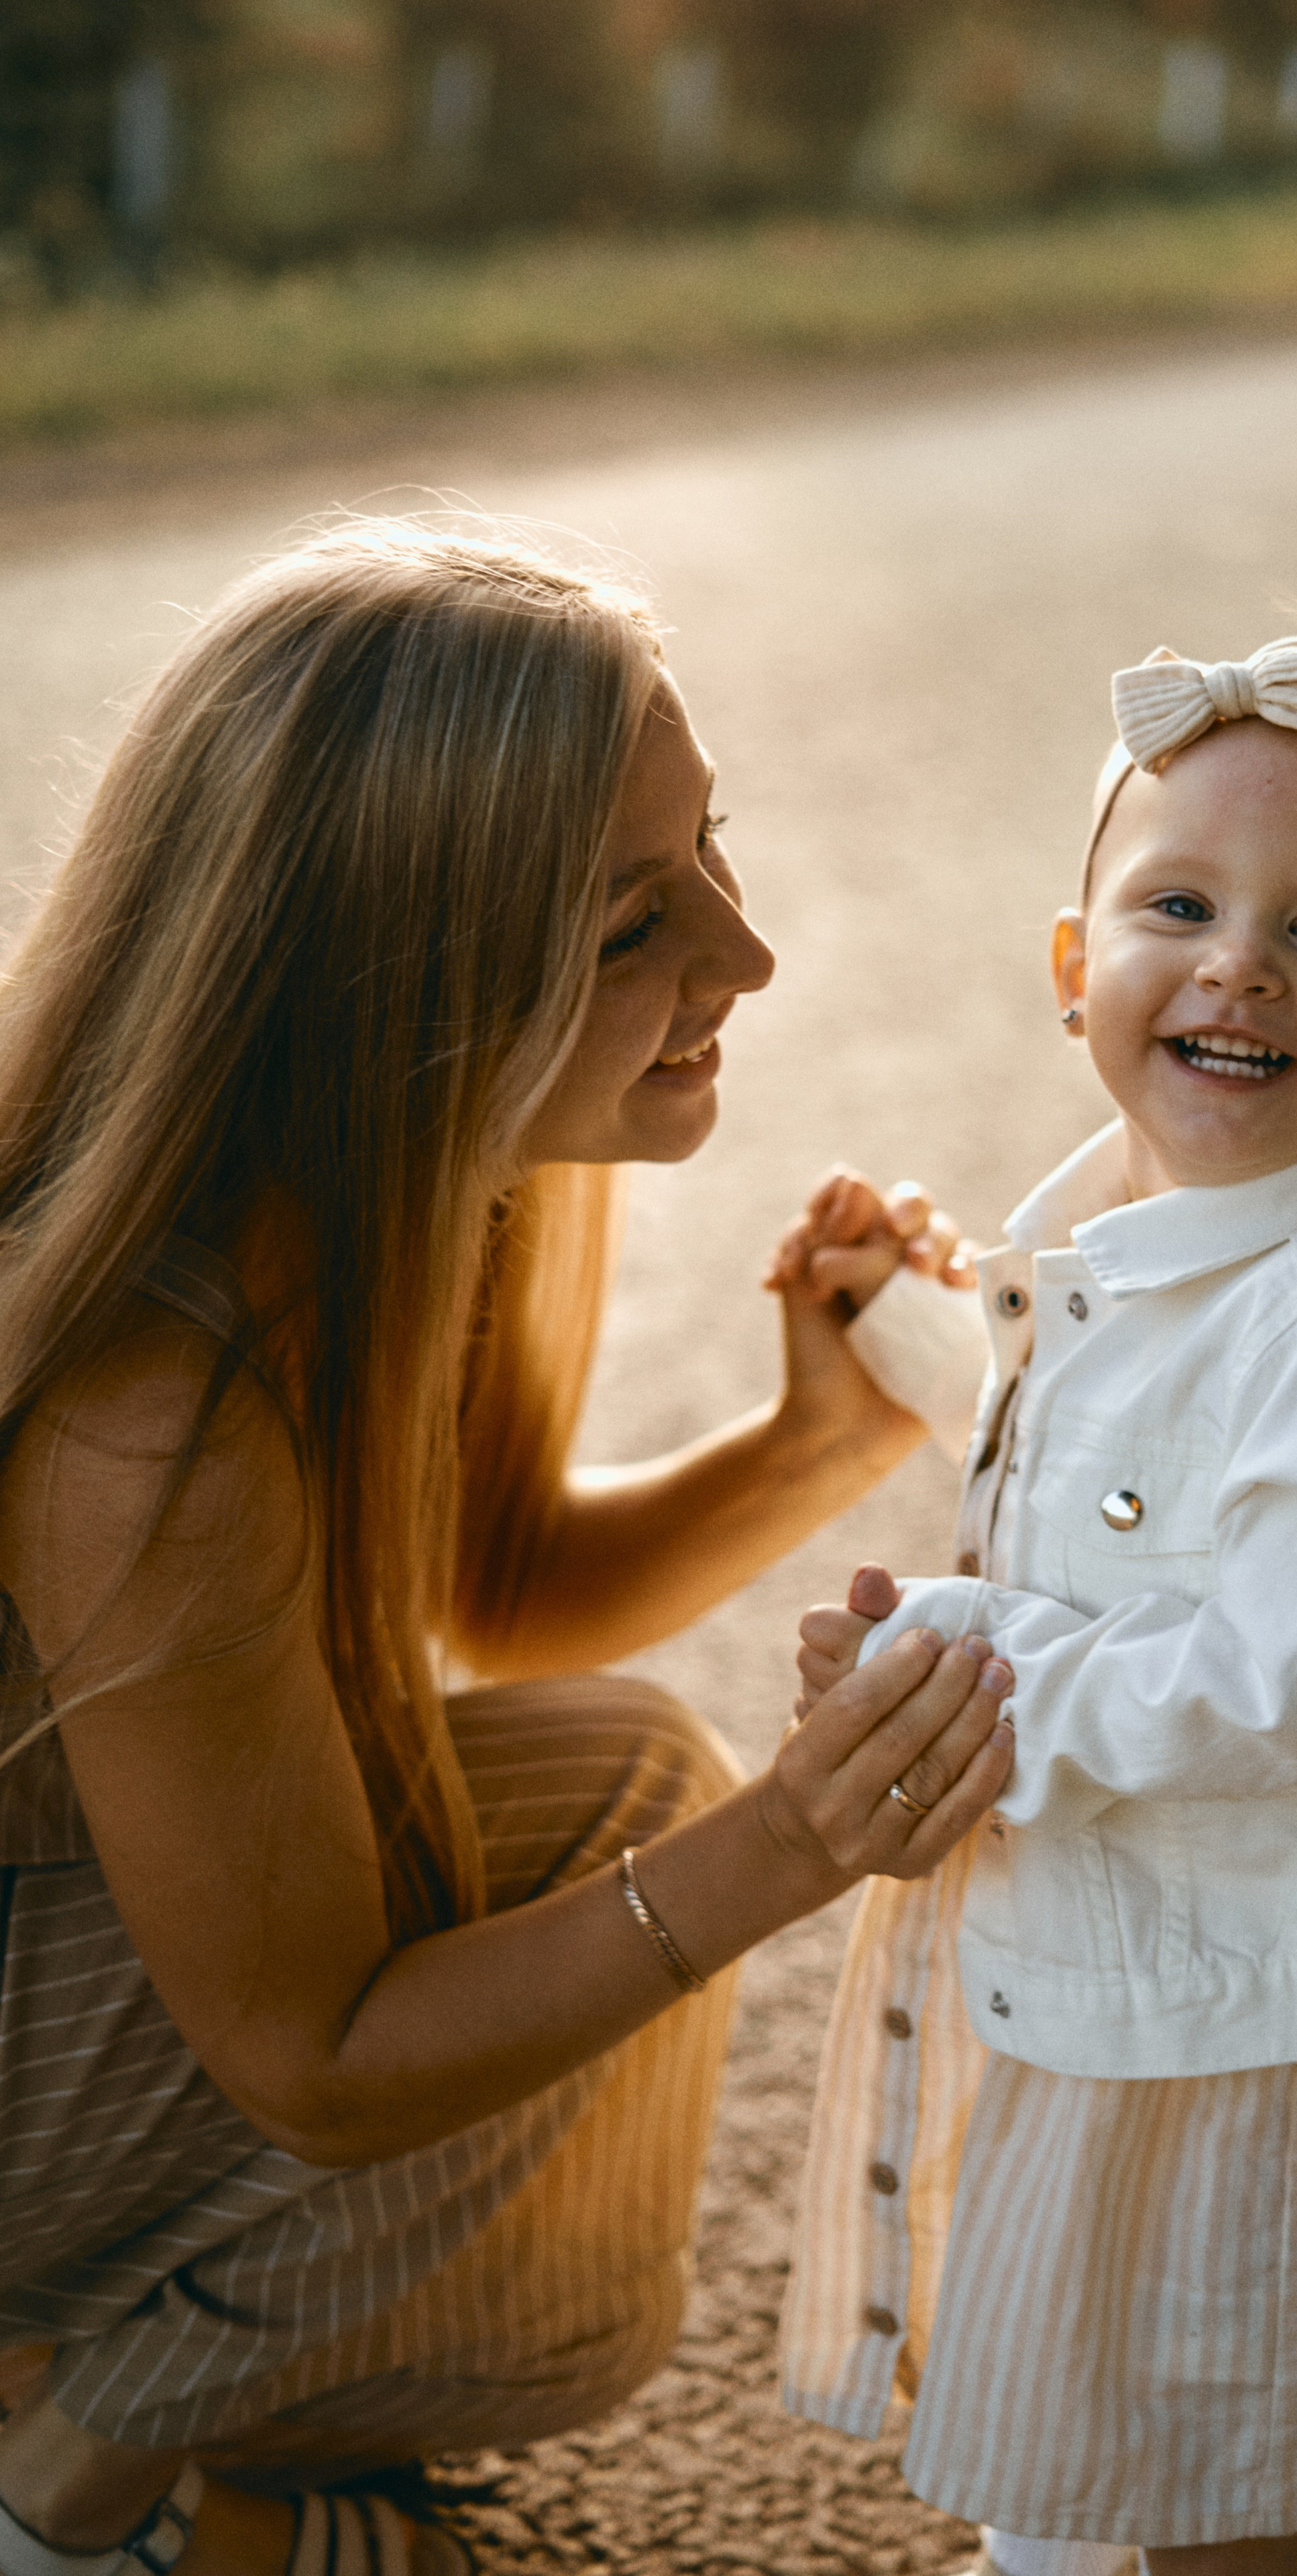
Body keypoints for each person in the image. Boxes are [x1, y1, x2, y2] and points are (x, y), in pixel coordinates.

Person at [0, 519, 1019, 2576]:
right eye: (639, 917)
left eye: (706, 851)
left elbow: (506, 1581)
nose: (742, 956)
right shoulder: (151, 1397)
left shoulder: (418, 1148)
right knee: (636, 1860)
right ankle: (77, 2496)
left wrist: (823, 1438)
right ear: (393, 974)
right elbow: (318, 2062)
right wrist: (796, 1844)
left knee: (605, 1824)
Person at [777, 630, 1297, 2576]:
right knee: (1081, 2402)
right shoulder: (1165, 1230)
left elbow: (1282, 1677)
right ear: (1074, 970)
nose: (1239, 965)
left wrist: (968, 1666)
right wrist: (917, 1322)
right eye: (1180, 905)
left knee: (1201, 2482)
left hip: (1243, 2030)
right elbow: (1106, 1446)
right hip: (1141, 1979)